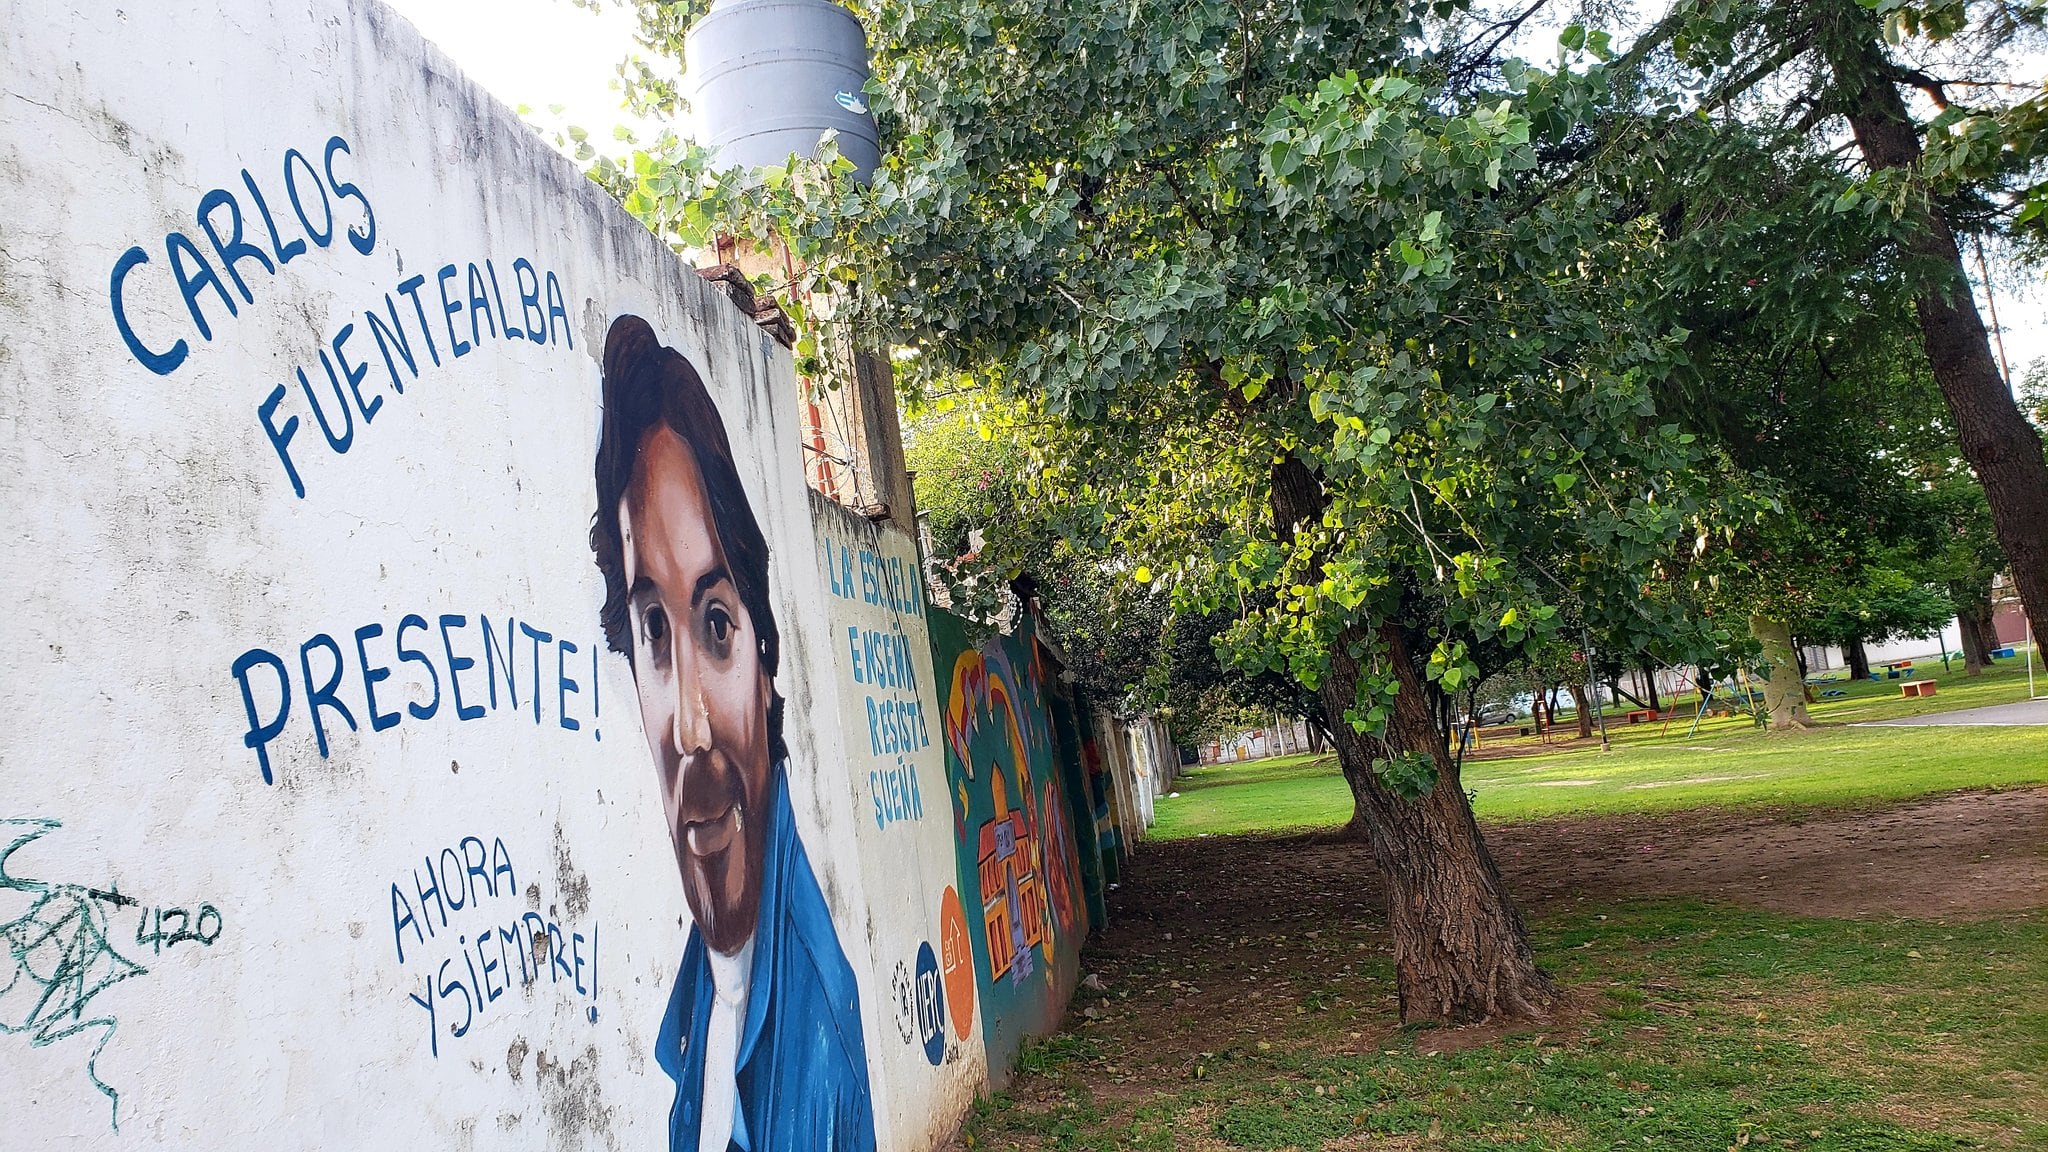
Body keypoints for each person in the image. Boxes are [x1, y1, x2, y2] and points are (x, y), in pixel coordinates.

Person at [590, 314, 874, 1152]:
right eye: (652, 631)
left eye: (716, 624)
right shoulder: (707, 1005)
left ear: (765, 660)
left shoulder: (812, 1032)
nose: (688, 728)